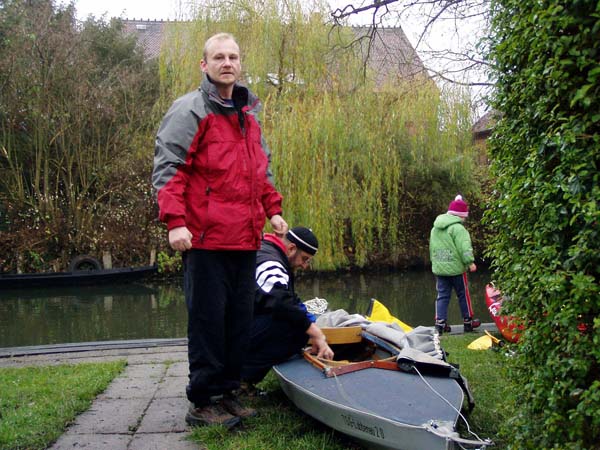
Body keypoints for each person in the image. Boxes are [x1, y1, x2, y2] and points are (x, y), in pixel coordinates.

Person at [152, 32, 288, 429]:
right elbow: (169, 168)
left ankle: (229, 391)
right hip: (205, 239)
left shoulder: (249, 118)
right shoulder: (190, 110)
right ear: (204, 65)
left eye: (233, 57)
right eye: (218, 57)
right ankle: (203, 400)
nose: (227, 63)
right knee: (208, 322)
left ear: (240, 64)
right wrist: (175, 222)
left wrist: (273, 210)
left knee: (238, 321)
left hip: (245, 240)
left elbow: (260, 172)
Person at [241, 227, 334, 387]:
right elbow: (280, 301)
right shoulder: (270, 262)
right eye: (304, 259)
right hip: (231, 331)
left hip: (239, 323)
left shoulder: (269, 251)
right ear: (291, 248)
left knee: (299, 321)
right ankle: (241, 380)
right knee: (296, 329)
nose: (304, 265)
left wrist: (309, 321)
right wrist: (314, 332)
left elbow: (289, 298)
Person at [429, 195, 481, 334]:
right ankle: (468, 322)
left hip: (440, 268)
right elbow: (464, 248)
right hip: (456, 269)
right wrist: (470, 263)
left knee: (442, 296)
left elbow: (432, 248)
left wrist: (435, 263)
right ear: (461, 215)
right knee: (463, 294)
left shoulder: (435, 228)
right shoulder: (458, 229)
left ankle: (440, 324)